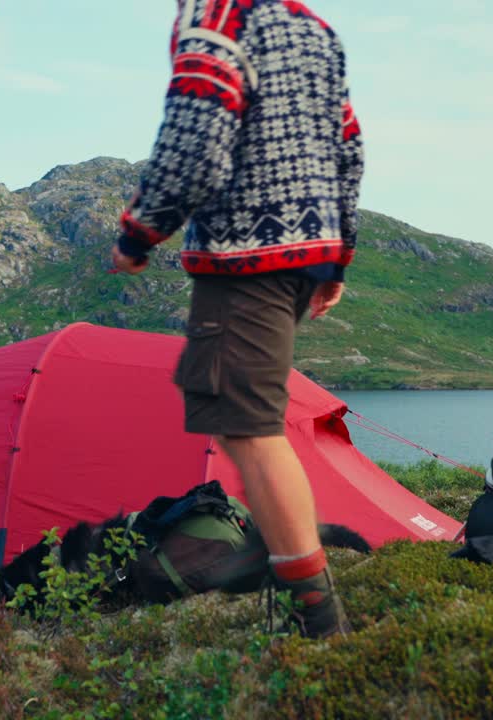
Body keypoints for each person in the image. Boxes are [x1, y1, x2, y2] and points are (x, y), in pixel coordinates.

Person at [110, 0, 364, 638]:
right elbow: (347, 146)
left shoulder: (219, 14)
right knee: (238, 417)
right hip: (300, 255)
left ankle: (314, 610)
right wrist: (336, 256)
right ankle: (281, 546)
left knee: (249, 427)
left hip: (247, 253)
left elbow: (196, 143)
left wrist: (140, 232)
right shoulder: (314, 28)